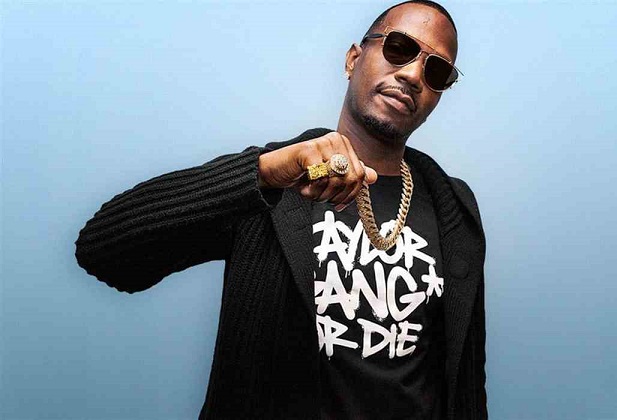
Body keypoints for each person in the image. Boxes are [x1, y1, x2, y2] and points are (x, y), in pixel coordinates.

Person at [75, 1, 488, 419]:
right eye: (399, 48)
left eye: (436, 71)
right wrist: (262, 173)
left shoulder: (453, 207)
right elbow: (103, 250)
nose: (413, 75)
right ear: (353, 59)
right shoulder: (272, 183)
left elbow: (467, 383)